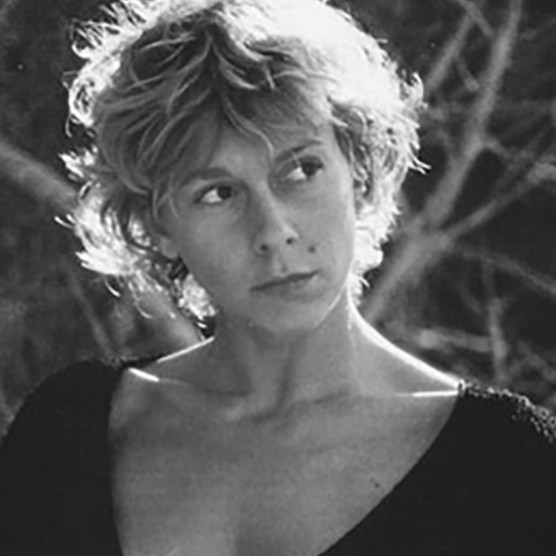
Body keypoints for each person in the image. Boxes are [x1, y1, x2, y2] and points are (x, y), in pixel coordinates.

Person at [1, 0, 555, 554]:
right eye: (218, 193)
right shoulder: (69, 434)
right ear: (158, 224)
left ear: (359, 174)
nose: (273, 230)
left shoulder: (507, 466)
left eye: (301, 169)